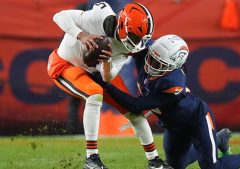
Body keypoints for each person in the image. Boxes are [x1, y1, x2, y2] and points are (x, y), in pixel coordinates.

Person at [98, 34, 240, 169]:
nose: (150, 64)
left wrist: (105, 84)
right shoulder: (147, 52)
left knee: (211, 167)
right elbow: (125, 41)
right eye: (151, 58)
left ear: (172, 67)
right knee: (177, 166)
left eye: (158, 64)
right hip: (173, 126)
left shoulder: (173, 83)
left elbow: (136, 106)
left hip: (196, 119)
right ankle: (218, 140)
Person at [47, 2, 172, 169]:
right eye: (135, 36)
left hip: (97, 73)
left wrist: (106, 62)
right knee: (94, 94)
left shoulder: (125, 46)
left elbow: (108, 77)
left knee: (135, 112)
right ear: (122, 25)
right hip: (65, 64)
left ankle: (154, 161)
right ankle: (91, 159)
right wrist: (82, 35)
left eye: (141, 38)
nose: (137, 42)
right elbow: (59, 16)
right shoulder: (99, 17)